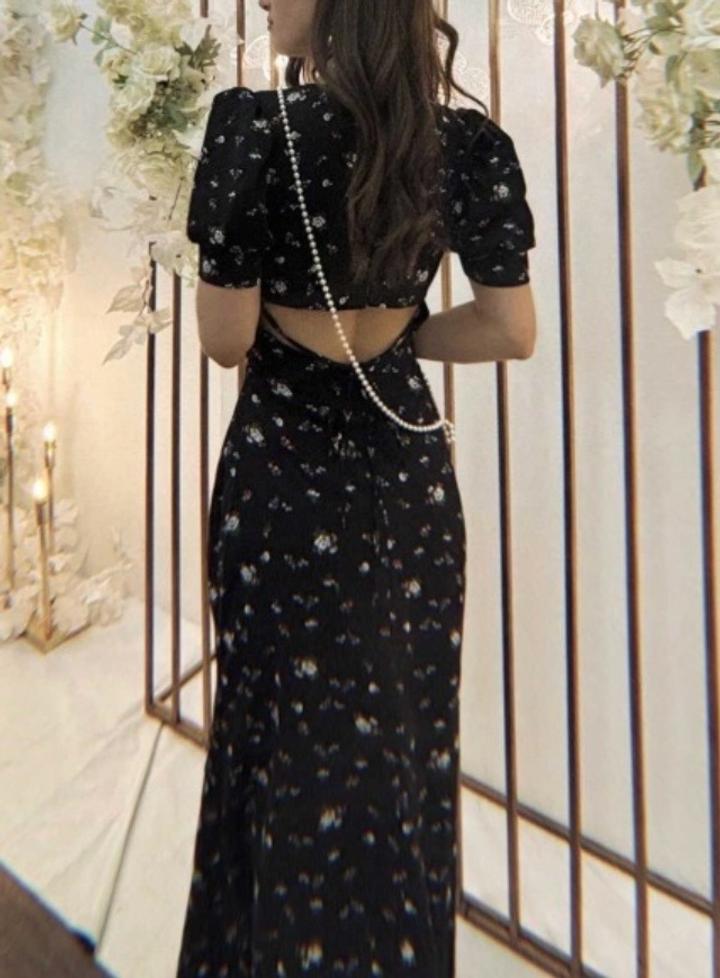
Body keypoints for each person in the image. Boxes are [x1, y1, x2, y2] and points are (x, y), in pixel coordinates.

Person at [176, 1, 537, 976]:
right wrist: (398, 340)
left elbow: (224, 342)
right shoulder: (469, 147)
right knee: (403, 747)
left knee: (272, 740)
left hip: (282, 471)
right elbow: (510, 330)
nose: (263, 0)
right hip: (406, 473)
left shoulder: (253, 129)